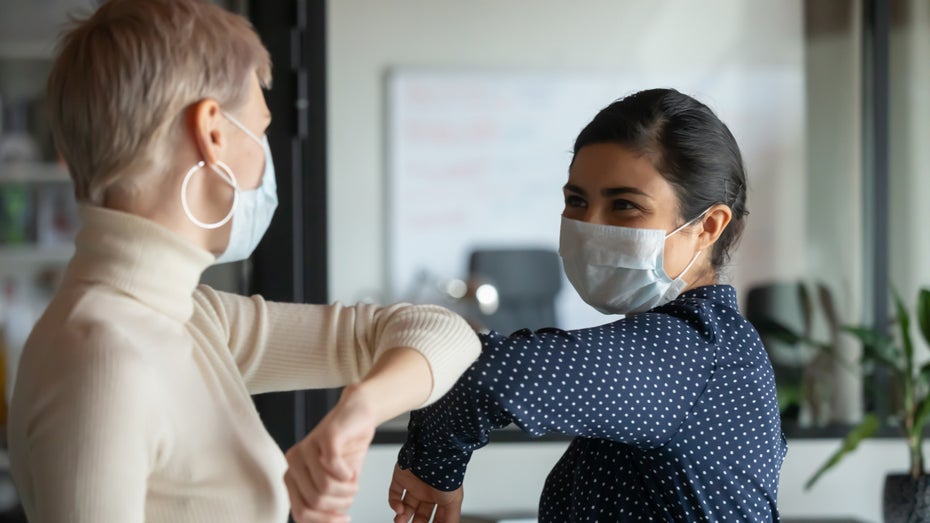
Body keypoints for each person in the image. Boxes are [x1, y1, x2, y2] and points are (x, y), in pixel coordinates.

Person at [5, 1, 481, 522]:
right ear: (212, 131)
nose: (263, 155)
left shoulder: (189, 316)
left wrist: (358, 411)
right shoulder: (99, 357)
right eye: (260, 127)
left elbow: (444, 332)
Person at [387, 88, 787, 522]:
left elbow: (483, 374)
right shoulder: (706, 347)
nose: (589, 226)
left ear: (708, 226)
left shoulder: (693, 350)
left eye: (625, 205)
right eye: (577, 200)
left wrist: (433, 468)